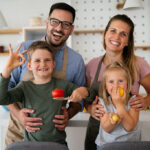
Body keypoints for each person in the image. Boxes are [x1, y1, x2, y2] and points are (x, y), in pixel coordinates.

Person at [5, 2, 86, 147]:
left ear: (71, 29)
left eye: (66, 24)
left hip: (53, 140)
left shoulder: (76, 61)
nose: (59, 28)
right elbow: (7, 89)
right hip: (18, 133)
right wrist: (18, 114)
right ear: (47, 22)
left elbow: (79, 101)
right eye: (55, 22)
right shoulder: (23, 49)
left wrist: (68, 115)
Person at [0, 41, 95, 147]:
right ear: (29, 65)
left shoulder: (63, 85)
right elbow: (2, 99)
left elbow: (92, 95)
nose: (43, 64)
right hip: (30, 146)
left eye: (47, 60)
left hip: (57, 146)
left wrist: (85, 91)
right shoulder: (24, 87)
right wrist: (7, 70)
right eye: (37, 60)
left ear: (54, 63)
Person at [84, 14, 150, 150]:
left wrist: (145, 101)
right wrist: (90, 108)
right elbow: (86, 97)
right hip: (97, 133)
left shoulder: (139, 64)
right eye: (113, 31)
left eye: (123, 34)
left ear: (128, 41)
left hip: (128, 135)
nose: (116, 37)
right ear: (105, 34)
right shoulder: (92, 65)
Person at [95, 62, 141, 149]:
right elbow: (106, 128)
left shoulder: (134, 101)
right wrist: (111, 122)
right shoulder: (103, 102)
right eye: (111, 82)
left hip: (130, 146)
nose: (116, 86)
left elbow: (129, 127)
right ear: (105, 86)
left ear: (127, 84)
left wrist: (119, 104)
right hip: (106, 146)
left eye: (120, 81)